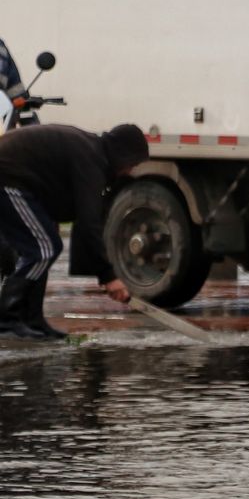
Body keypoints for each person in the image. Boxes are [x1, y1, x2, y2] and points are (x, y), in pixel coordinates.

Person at [0, 123, 147, 340]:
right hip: (6, 179)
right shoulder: (91, 159)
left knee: (45, 246)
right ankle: (6, 320)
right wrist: (108, 276)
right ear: (121, 155)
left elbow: (80, 214)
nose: (130, 170)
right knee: (43, 249)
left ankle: (32, 320)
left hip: (21, 182)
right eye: (131, 164)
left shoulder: (91, 152)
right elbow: (89, 223)